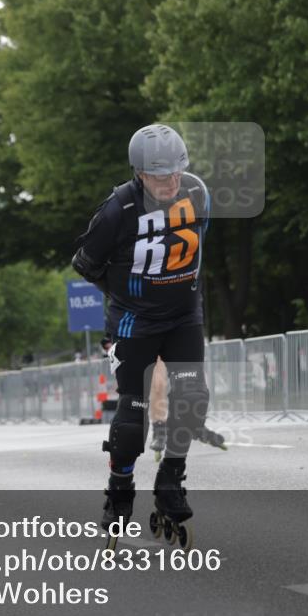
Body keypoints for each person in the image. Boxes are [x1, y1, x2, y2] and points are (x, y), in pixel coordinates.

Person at [71, 123, 226, 544]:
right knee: (133, 412)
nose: (170, 181)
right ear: (139, 173)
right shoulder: (117, 210)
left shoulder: (196, 192)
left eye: (176, 171)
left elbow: (198, 244)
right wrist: (122, 294)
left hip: (183, 316)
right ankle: (119, 489)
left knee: (194, 397)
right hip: (134, 321)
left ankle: (171, 480)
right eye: (160, 176)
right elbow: (84, 263)